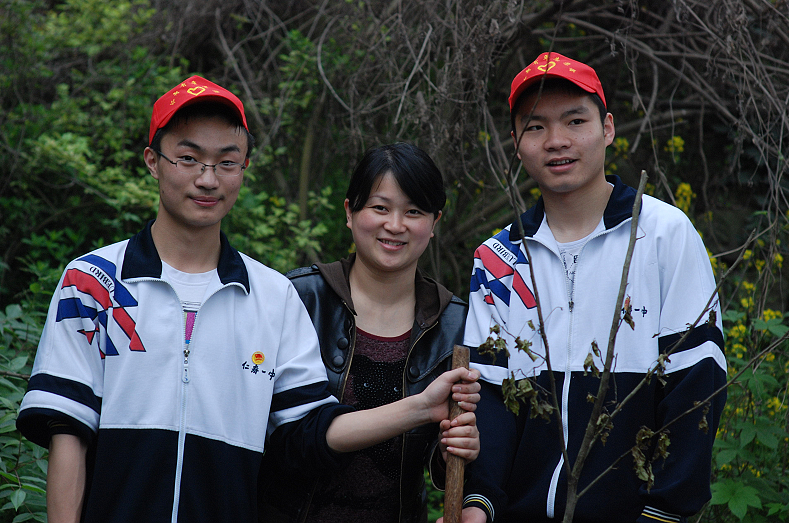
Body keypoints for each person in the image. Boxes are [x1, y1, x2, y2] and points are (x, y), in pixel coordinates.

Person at [16, 76, 480, 523]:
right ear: (153, 161)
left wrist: (422, 408)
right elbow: (67, 429)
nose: (207, 178)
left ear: (243, 169)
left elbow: (306, 432)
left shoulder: (273, 297)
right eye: (188, 158)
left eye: (226, 162)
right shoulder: (93, 282)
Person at [458, 53, 727, 523]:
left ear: (607, 128)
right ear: (516, 144)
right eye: (535, 127)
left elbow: (696, 385)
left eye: (575, 121)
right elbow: (490, 401)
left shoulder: (663, 234)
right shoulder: (498, 258)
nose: (556, 141)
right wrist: (478, 504)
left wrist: (663, 513)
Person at [260, 142, 478, 523]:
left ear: (434, 223)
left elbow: (448, 458)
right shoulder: (299, 299)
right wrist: (420, 408)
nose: (395, 225)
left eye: (414, 211)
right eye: (380, 208)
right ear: (349, 211)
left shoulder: (456, 324)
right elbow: (277, 438)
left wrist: (450, 453)